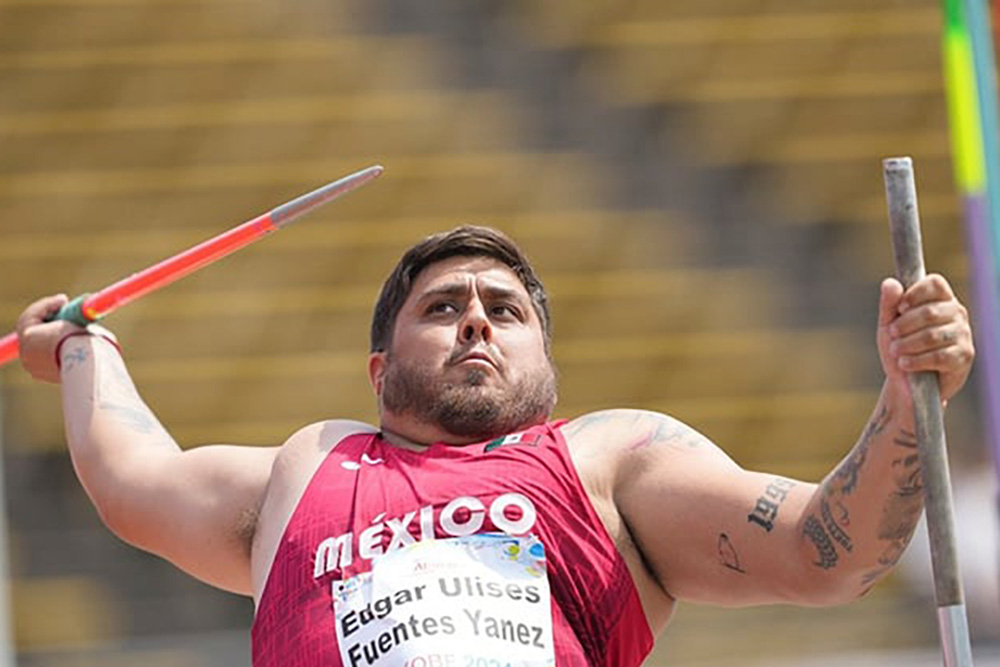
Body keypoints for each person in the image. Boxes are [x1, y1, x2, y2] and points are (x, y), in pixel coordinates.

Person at [15, 225, 975, 666]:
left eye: (504, 310)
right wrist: (84, 343)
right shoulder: (307, 466)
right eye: (445, 307)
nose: (477, 321)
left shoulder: (610, 460)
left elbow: (828, 553)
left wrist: (904, 396)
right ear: (380, 364)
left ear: (545, 359)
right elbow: (133, 477)